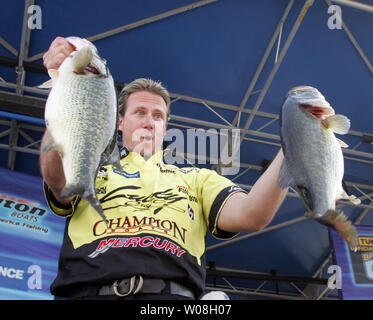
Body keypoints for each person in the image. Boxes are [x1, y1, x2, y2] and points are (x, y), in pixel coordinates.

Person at [40, 37, 288, 300]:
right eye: (140, 112)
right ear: (120, 121)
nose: (150, 122)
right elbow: (58, 182)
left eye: (158, 116)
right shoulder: (91, 165)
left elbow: (253, 215)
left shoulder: (197, 178)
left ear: (165, 127)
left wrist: (291, 149)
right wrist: (66, 88)